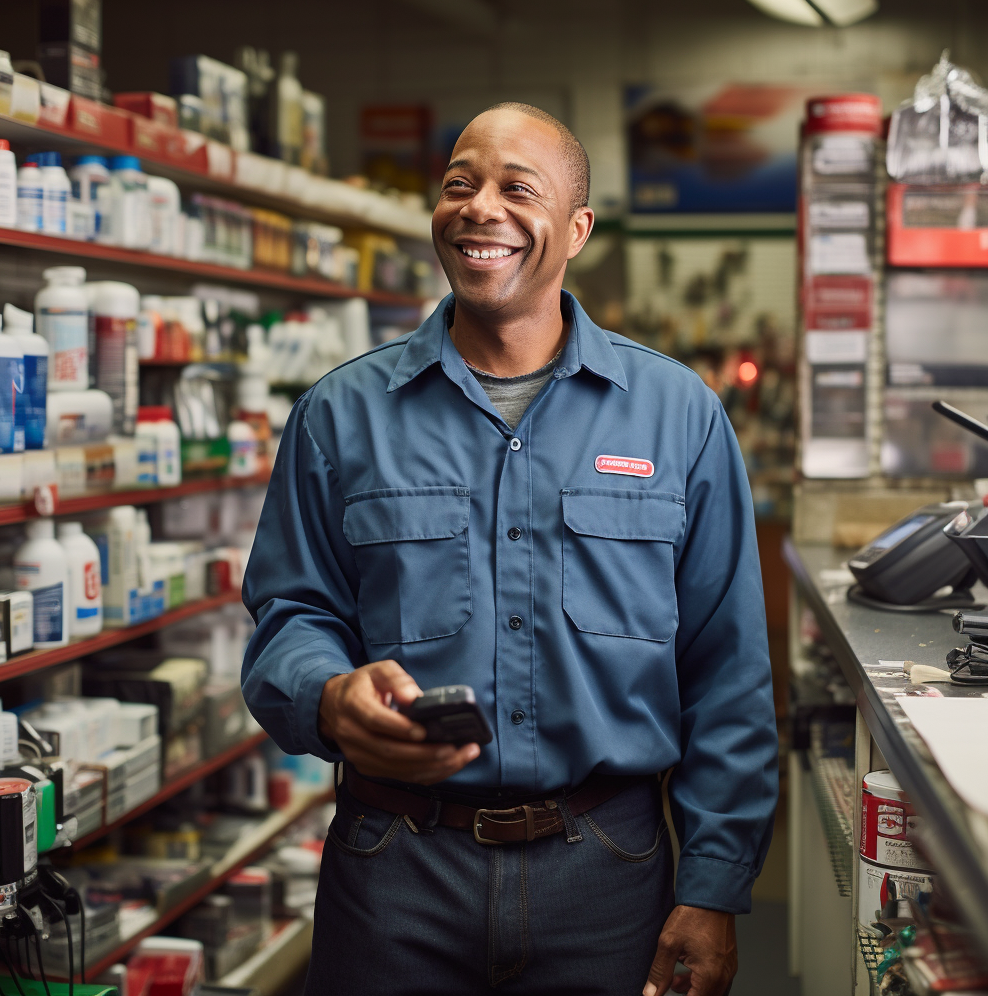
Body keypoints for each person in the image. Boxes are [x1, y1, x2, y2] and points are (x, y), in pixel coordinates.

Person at [242, 101, 779, 996]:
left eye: (515, 188)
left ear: (577, 230)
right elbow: (290, 616)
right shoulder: (340, 415)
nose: (479, 207)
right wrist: (329, 696)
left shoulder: (677, 414)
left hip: (607, 868)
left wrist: (714, 887)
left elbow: (727, 671)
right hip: (394, 872)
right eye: (460, 184)